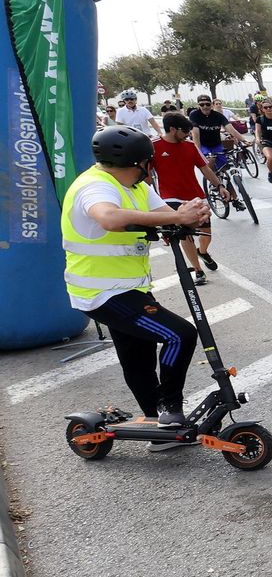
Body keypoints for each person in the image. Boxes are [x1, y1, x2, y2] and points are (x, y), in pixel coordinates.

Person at [61, 125, 210, 434]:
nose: (150, 166)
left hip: (130, 289)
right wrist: (175, 217)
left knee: (138, 359)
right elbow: (110, 218)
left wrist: (189, 212)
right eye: (148, 160)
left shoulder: (139, 187)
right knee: (179, 335)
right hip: (101, 292)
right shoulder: (95, 185)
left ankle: (157, 428)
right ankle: (169, 407)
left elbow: (164, 211)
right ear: (139, 161)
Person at [150, 112, 229, 283]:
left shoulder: (190, 146)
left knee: (206, 233)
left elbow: (205, 169)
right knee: (185, 234)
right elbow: (147, 176)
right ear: (172, 129)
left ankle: (203, 251)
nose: (188, 134)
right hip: (171, 198)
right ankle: (198, 270)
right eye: (185, 130)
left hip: (196, 196)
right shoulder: (154, 146)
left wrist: (220, 186)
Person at [187, 95, 243, 208]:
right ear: (198, 106)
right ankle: (214, 184)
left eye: (207, 104)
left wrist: (244, 140)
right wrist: (197, 152)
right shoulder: (194, 115)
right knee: (210, 160)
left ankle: (235, 198)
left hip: (216, 144)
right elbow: (195, 134)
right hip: (203, 145)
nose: (205, 107)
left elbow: (230, 129)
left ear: (211, 105)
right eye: (202, 104)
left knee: (224, 170)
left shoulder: (217, 116)